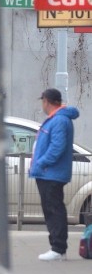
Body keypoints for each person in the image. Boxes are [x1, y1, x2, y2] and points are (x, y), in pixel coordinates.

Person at [29, 88, 79, 261]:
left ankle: (58, 248)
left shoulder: (58, 120)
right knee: (52, 209)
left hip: (51, 173)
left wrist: (41, 162)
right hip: (48, 173)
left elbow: (57, 147)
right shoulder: (56, 119)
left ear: (47, 101)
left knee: (54, 210)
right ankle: (57, 247)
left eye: (42, 101)